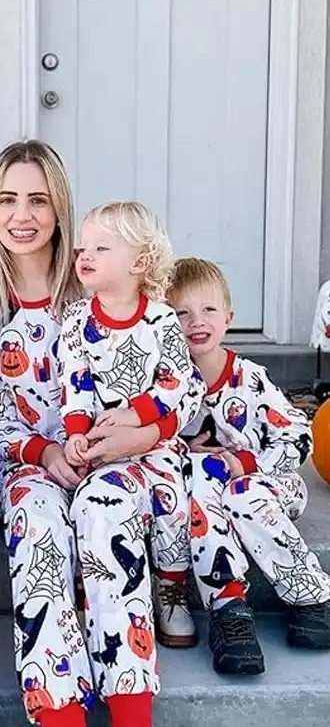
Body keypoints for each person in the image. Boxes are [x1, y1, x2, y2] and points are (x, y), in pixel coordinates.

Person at [0, 145, 203, 727]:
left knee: (105, 514)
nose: (21, 215)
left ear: (59, 209)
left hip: (116, 455)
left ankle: (129, 706)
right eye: (6, 200)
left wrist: (142, 434)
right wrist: (43, 451)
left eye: (38, 200)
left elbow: (182, 383)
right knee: (40, 527)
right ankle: (61, 711)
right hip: (30, 462)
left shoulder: (101, 284)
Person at [168, 257, 330, 675]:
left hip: (267, 486)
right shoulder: (163, 388)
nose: (195, 322)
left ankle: (310, 596)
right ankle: (229, 611)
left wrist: (245, 461)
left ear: (229, 318)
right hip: (202, 502)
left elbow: (299, 435)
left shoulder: (249, 379)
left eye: (207, 310)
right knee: (204, 477)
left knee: (239, 491)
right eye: (180, 313)